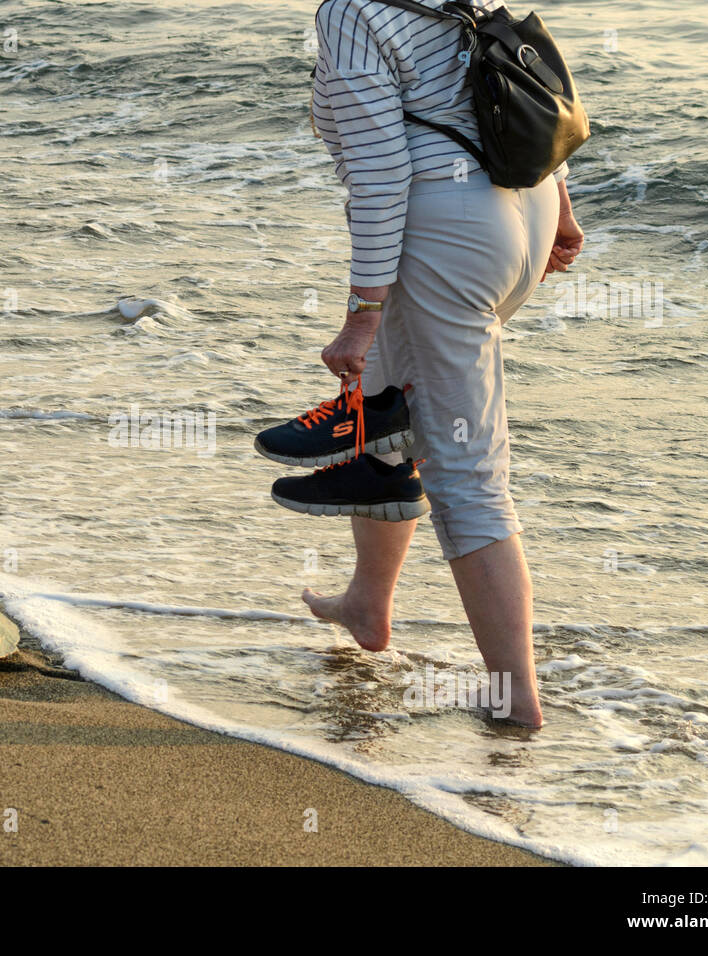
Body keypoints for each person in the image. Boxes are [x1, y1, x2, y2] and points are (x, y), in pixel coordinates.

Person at [258, 0, 585, 728]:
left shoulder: (350, 12)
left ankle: (514, 700)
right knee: (388, 409)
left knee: (465, 475)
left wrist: (362, 313)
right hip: (519, 202)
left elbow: (380, 173)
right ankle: (367, 604)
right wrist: (559, 201)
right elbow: (506, 74)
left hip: (446, 232)